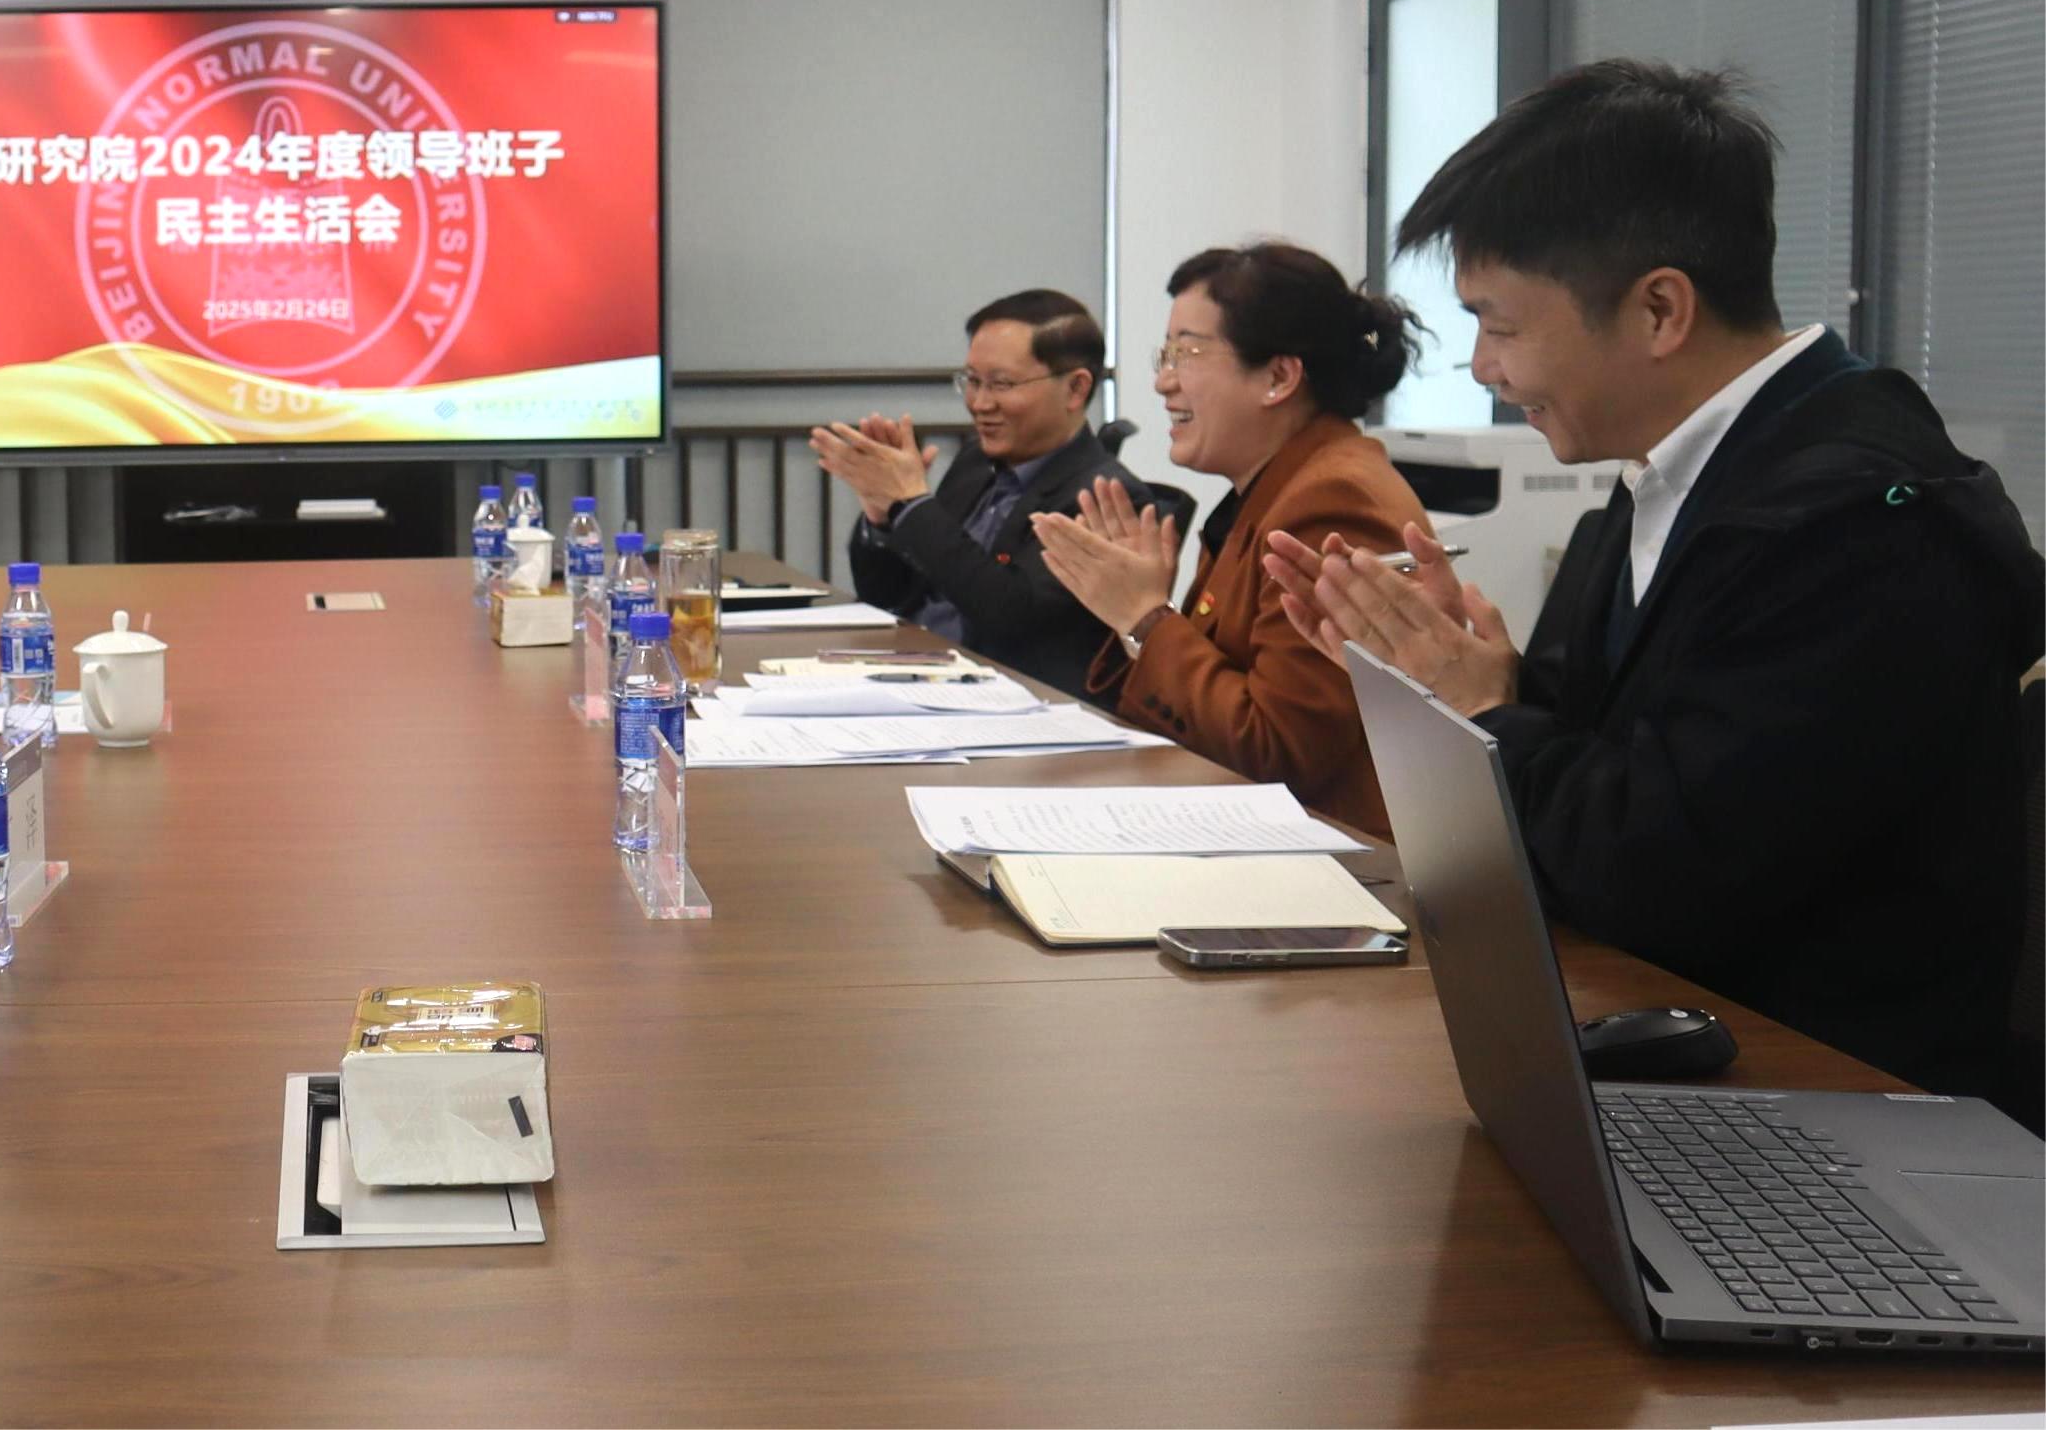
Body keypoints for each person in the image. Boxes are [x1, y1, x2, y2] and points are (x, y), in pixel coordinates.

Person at [1265, 60, 2043, 1106]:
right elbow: (1617, 768)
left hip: (1823, 1102)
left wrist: (1483, 707)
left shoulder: (1854, 527)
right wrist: (1481, 684)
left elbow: (1651, 875)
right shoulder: (1671, 475)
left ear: (1659, 310)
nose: (1483, 367)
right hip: (1677, 1043)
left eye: (1500, 324)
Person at [1032, 243, 1433, 836]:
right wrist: (1139, 619)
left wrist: (1144, 617)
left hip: (1330, 857)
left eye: (1186, 353)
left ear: (1278, 377)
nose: (1163, 381)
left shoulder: (1332, 503)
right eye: (1164, 354)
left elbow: (1278, 750)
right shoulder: (1279, 485)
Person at [811, 289, 1184, 691]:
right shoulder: (975, 464)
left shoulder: (1106, 498)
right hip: (910, 672)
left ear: (1076, 389)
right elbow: (891, 594)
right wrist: (883, 514)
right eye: (972, 381)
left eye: (1001, 384)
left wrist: (913, 504)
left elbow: (1012, 618)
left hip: (1005, 698)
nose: (980, 403)